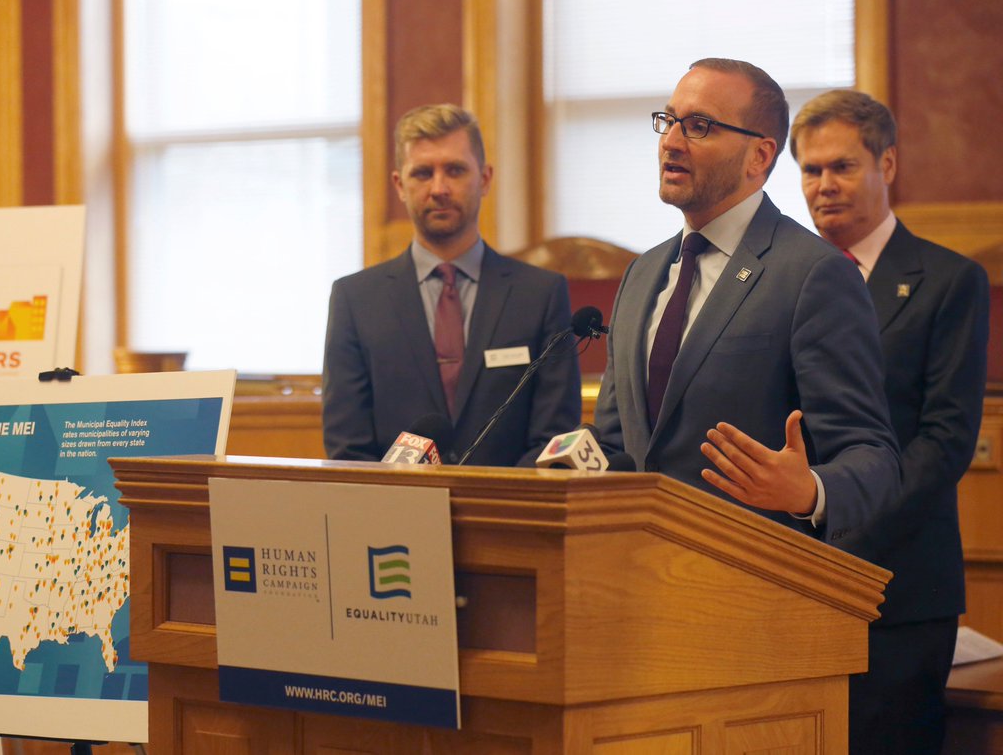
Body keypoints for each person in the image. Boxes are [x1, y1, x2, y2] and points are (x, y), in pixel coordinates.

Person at [593, 58, 900, 549]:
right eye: (668, 120)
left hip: (751, 572)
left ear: (759, 156)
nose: (671, 141)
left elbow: (873, 458)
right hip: (635, 570)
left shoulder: (813, 274)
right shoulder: (641, 274)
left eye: (699, 126)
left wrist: (809, 491)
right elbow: (617, 445)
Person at [791, 89, 990, 755]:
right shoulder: (781, 282)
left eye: (842, 166)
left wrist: (834, 513)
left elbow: (945, 440)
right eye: (811, 170)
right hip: (787, 577)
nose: (824, 185)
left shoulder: (948, 280)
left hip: (897, 588)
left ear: (888, 164)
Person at [323, 104, 581, 466]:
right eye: (422, 173)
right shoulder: (355, 300)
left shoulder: (540, 295)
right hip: (396, 502)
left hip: (513, 500)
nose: (439, 188)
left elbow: (552, 439)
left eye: (455, 170)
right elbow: (348, 448)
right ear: (399, 185)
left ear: (485, 179)